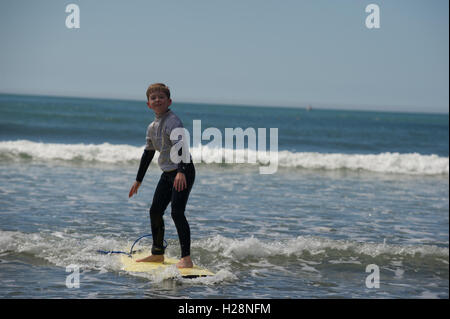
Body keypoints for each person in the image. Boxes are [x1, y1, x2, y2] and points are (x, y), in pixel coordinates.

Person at [128, 83, 195, 269]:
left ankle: (186, 259)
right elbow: (148, 153)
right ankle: (157, 254)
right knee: (155, 211)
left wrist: (181, 171)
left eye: (161, 97)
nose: (157, 99)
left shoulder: (173, 121)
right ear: (148, 104)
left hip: (183, 171)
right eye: (153, 98)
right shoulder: (152, 127)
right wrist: (138, 180)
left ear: (169, 101)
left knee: (177, 212)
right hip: (168, 173)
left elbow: (182, 147)